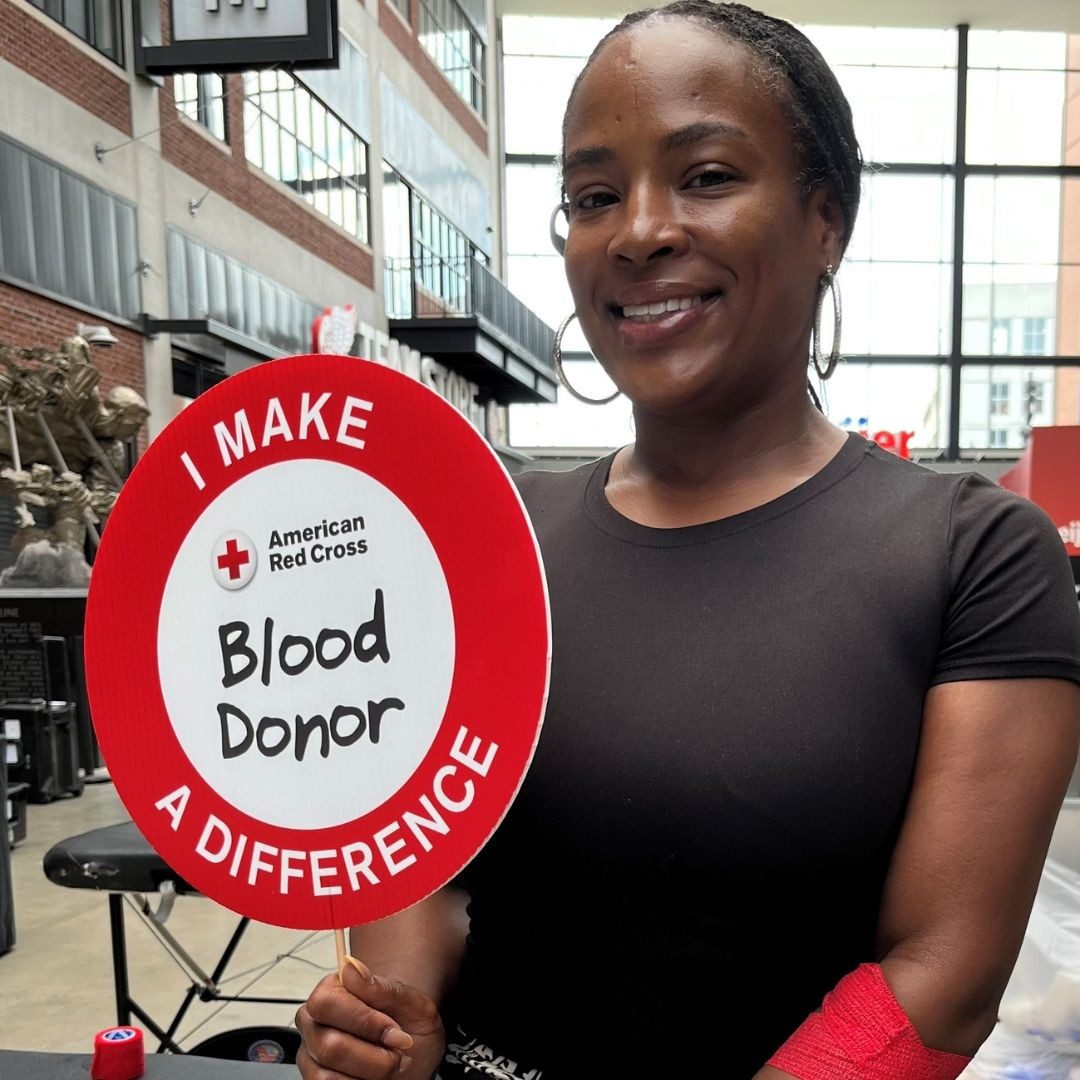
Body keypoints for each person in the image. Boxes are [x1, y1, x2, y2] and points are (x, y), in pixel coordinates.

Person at [295, 3, 1080, 1077]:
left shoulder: (972, 555)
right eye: (593, 196)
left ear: (826, 222)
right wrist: (391, 1014)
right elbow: (419, 860)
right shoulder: (492, 534)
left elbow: (944, 973)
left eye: (706, 176)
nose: (638, 231)